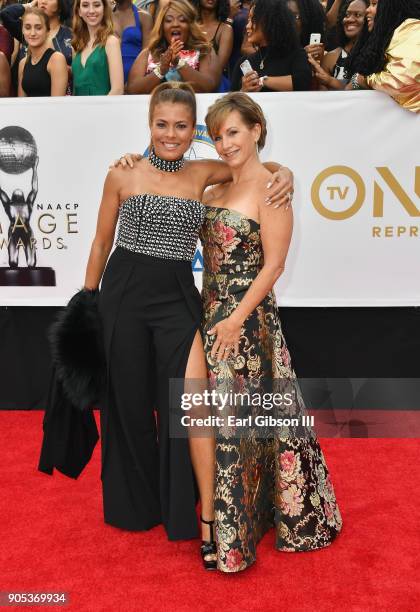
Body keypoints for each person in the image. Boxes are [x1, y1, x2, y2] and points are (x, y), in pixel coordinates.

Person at [84, 81, 294, 570]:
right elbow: (99, 243)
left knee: (185, 404)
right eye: (162, 125)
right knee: (128, 401)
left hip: (179, 296)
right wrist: (86, 303)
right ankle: (136, 507)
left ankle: (191, 515)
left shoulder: (203, 172)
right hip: (124, 292)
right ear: (149, 124)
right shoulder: (122, 173)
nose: (171, 134)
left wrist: (287, 172)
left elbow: (254, 169)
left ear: (194, 127)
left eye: (182, 126)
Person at [202, 92, 342, 572]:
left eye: (234, 132)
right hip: (208, 315)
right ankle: (235, 525)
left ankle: (234, 542)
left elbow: (275, 264)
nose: (225, 144)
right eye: (218, 135)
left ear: (256, 130)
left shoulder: (271, 189)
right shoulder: (215, 187)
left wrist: (237, 318)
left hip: (246, 321)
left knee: (235, 425)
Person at [126, 0, 219, 94]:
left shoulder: (204, 51)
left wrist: (179, 63)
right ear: (162, 26)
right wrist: (161, 69)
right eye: (169, 20)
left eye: (182, 20)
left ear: (190, 25)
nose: (175, 24)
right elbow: (132, 89)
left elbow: (209, 86)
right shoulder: (149, 53)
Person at [348, 0, 420, 113]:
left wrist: (364, 80)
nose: (367, 10)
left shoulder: (413, 29)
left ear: (391, 6)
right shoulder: (389, 34)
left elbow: (404, 81)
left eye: (374, 4)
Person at [231, 0, 312, 93]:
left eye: (253, 20)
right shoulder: (244, 62)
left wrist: (262, 81)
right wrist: (243, 90)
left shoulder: (296, 55)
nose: (247, 26)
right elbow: (232, 101)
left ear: (270, 22)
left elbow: (301, 83)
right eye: (248, 20)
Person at [308, 0, 368, 90]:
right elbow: (324, 99)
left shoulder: (375, 55)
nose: (350, 19)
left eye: (358, 15)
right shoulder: (331, 57)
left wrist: (330, 81)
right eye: (347, 15)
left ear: (370, 19)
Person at [71, 0, 124, 95]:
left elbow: (117, 90)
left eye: (96, 5)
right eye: (85, 5)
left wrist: (100, 109)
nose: (91, 10)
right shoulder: (77, 45)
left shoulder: (111, 42)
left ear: (104, 9)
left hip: (104, 108)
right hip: (78, 108)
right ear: (79, 11)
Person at [18, 8, 68, 96]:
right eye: (27, 27)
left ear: (48, 31)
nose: (32, 33)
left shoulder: (56, 59)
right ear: (22, 30)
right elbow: (21, 102)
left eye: (38, 28)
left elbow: (58, 104)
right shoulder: (23, 63)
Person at [192, 0, 233, 91]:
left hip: (215, 85)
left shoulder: (225, 29)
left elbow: (219, 66)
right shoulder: (189, 26)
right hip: (187, 82)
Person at [111, 0, 152, 83]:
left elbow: (146, 52)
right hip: (108, 78)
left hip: (135, 81)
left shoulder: (144, 17)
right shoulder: (105, 17)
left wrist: (134, 83)